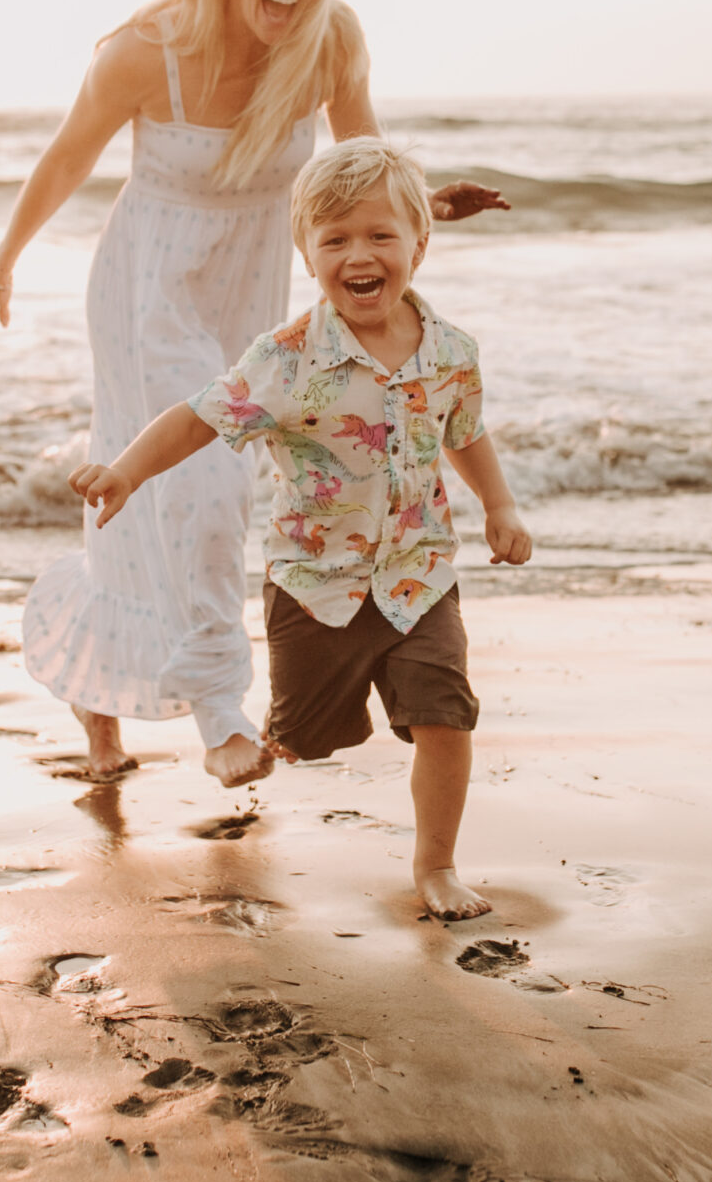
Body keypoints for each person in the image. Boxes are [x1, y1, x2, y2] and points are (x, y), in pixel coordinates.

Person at [0, 0, 503, 788]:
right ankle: (217, 713)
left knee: (182, 492)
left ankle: (101, 708)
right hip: (147, 285)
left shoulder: (329, 42)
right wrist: (1, 260)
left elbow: (362, 161)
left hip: (248, 281)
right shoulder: (143, 51)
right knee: (195, 485)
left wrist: (427, 206)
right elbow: (63, 160)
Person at [67, 138, 531, 920]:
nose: (361, 253)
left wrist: (499, 505)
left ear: (420, 242)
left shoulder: (451, 352)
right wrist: (125, 471)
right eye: (336, 238)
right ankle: (281, 737)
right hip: (315, 586)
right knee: (314, 733)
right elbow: (197, 419)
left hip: (421, 578)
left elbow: (465, 430)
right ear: (307, 253)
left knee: (445, 716)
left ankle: (437, 865)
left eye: (381, 235)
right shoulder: (284, 360)